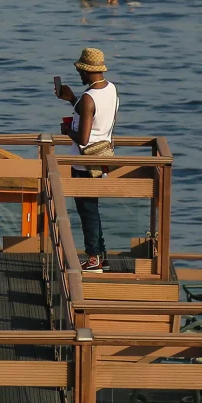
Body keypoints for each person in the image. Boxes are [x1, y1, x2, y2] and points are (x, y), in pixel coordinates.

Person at [54, 47, 118, 272]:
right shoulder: (110, 89)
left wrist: (65, 130)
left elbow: (82, 139)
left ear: (88, 71)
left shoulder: (89, 98)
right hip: (102, 159)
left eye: (81, 71)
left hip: (84, 163)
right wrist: (72, 99)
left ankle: (93, 259)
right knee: (93, 209)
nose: (80, 75)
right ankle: (101, 256)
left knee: (87, 211)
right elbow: (96, 118)